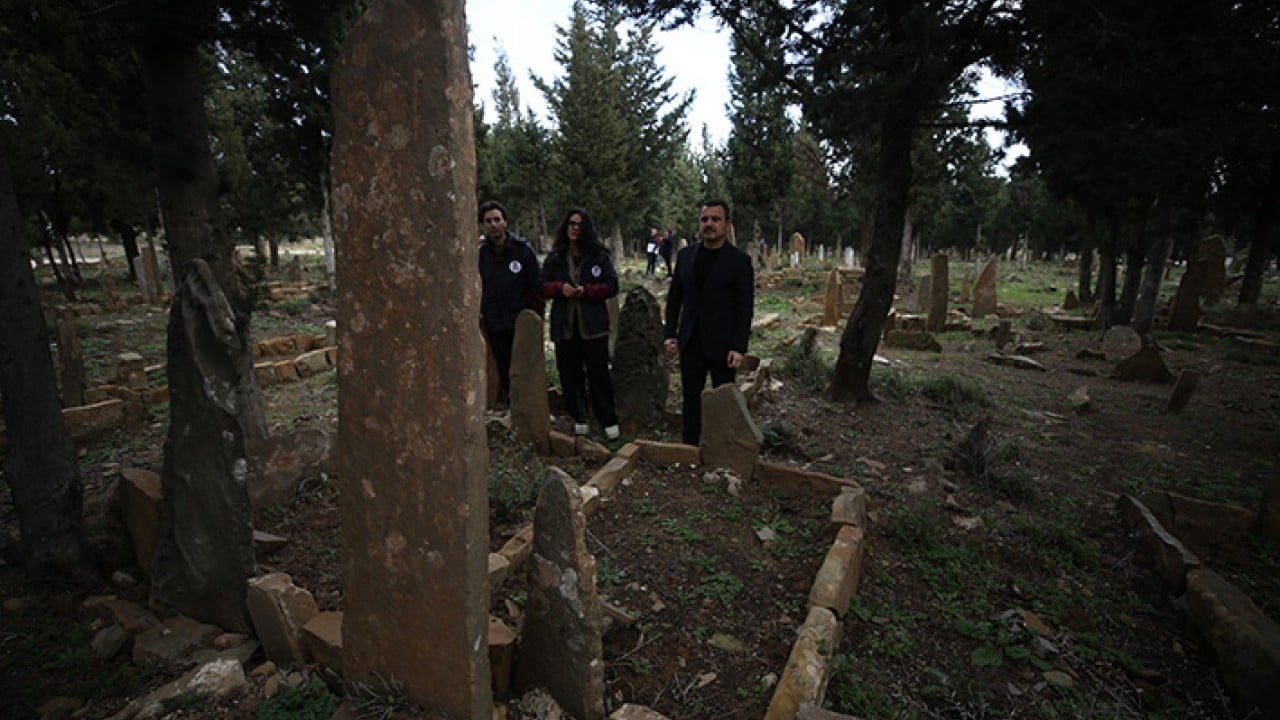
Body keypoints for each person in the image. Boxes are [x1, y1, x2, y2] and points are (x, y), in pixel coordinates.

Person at [663, 199, 754, 446]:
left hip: (723, 344)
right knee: (691, 397)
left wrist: (738, 346)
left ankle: (723, 447)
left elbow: (744, 308)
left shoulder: (739, 262)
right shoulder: (685, 257)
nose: (709, 224)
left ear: (727, 224)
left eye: (715, 219)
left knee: (723, 399)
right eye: (705, 219)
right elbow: (675, 300)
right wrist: (670, 334)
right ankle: (690, 445)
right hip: (690, 340)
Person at [540, 208, 621, 440]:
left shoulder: (599, 257)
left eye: (579, 224)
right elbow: (541, 286)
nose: (575, 228)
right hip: (565, 327)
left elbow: (612, 285)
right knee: (569, 373)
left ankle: (607, 419)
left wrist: (587, 291)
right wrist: (559, 288)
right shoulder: (555, 259)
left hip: (593, 326)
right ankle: (579, 417)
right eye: (571, 224)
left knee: (599, 374)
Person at [478, 200, 542, 407]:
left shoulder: (523, 251)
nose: (493, 224)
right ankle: (510, 404)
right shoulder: (480, 254)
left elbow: (537, 285)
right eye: (488, 221)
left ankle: (529, 405)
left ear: (505, 222)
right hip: (494, 321)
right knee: (502, 364)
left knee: (524, 366)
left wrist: (536, 315)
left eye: (497, 219)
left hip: (520, 320)